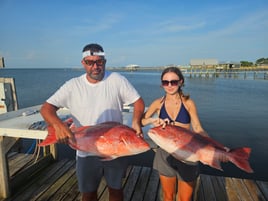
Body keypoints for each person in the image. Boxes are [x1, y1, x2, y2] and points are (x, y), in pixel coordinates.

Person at [40, 43, 145, 201]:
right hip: (85, 150)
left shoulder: (117, 80)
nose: (95, 66)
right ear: (83, 63)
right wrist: (58, 126)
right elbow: (46, 108)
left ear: (105, 62)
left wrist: (136, 121)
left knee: (116, 190)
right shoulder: (72, 85)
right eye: (90, 62)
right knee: (88, 194)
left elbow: (138, 102)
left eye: (99, 62)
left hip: (116, 150)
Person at [141, 67, 208, 201]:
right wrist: (153, 120)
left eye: (173, 82)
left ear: (181, 82)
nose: (170, 85)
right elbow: (141, 121)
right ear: (162, 84)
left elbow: (197, 127)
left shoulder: (188, 103)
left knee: (185, 198)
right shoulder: (158, 103)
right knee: (168, 196)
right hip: (164, 153)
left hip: (187, 152)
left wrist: (213, 146)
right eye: (166, 82)